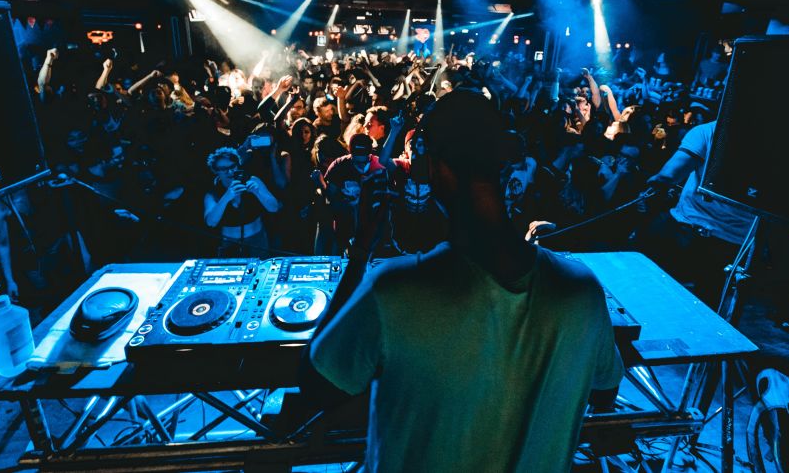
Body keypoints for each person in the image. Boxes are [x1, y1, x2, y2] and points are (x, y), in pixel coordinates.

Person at [301, 89, 623, 473]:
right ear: (503, 160)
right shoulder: (581, 289)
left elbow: (319, 385)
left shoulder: (396, 289)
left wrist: (359, 255)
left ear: (435, 168)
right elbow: (604, 390)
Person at [637, 120, 757, 304]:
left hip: (686, 229)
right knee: (703, 308)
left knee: (651, 290)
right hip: (731, 245)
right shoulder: (780, 144)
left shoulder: (709, 131)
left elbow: (669, 175)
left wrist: (652, 187)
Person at [203, 146, 280, 257]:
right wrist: (226, 197)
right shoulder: (213, 192)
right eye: (224, 168)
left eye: (233, 166)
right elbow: (211, 222)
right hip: (229, 244)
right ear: (216, 171)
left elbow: (274, 207)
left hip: (257, 241)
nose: (229, 171)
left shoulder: (252, 180)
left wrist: (258, 193)